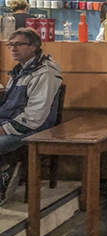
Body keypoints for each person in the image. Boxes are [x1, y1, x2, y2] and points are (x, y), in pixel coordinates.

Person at [0, 28, 63, 204]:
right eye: (10, 45)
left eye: (19, 44)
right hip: (13, 122)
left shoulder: (45, 72)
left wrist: (3, 129)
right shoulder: (20, 70)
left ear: (34, 46)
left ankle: (4, 178)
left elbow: (36, 116)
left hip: (34, 129)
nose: (13, 49)